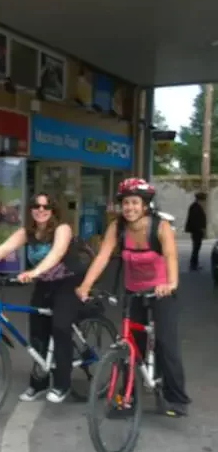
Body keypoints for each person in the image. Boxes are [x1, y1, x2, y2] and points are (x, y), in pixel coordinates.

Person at [76, 177, 190, 417]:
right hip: (133, 290)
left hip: (161, 290)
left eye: (135, 203)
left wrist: (171, 284)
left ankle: (175, 397)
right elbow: (102, 257)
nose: (130, 208)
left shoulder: (160, 226)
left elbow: (170, 256)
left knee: (166, 343)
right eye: (126, 203)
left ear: (145, 204)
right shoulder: (117, 227)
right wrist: (85, 285)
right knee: (130, 345)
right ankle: (128, 397)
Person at [0, 192, 86, 403]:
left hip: (68, 283)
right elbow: (4, 248)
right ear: (30, 209)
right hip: (44, 283)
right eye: (36, 206)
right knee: (38, 333)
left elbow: (56, 254)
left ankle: (62, 383)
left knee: (60, 327)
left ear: (54, 211)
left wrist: (34, 272)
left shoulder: (62, 229)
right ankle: (38, 383)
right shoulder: (27, 232)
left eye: (46, 206)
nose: (41, 210)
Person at [184, 192, 206, 271]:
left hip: (197, 230)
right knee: (196, 248)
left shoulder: (196, 206)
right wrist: (200, 229)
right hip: (196, 231)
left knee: (196, 248)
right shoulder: (195, 207)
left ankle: (194, 264)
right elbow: (194, 220)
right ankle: (193, 265)